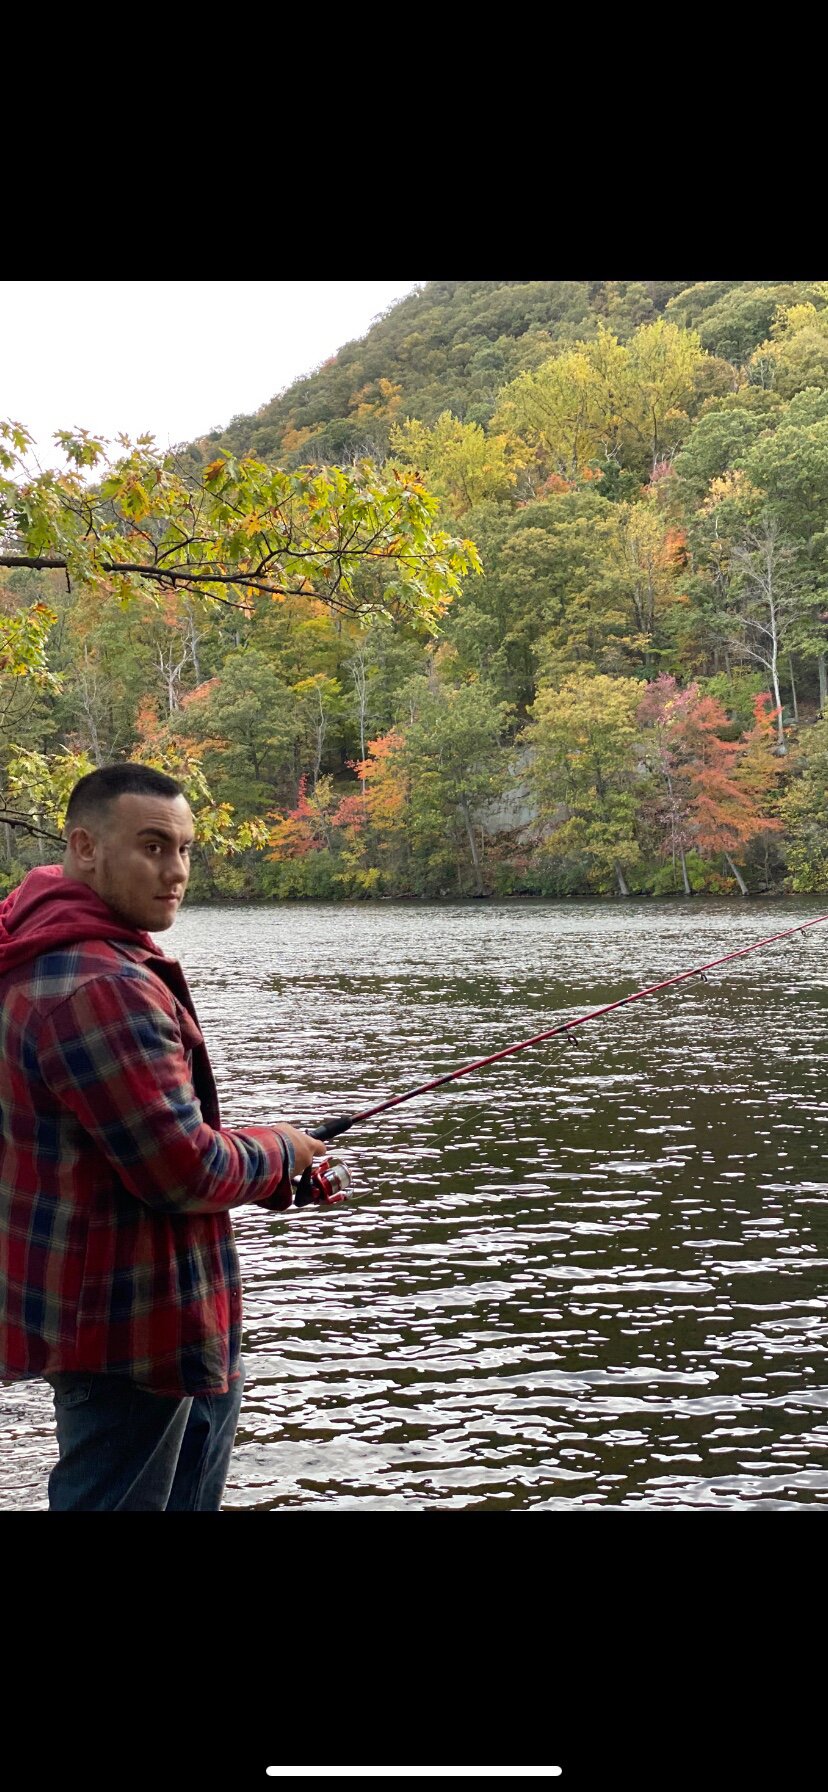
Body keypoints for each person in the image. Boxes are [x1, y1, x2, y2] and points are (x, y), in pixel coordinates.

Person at [0, 763, 326, 1511]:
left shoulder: (43, 945)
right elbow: (183, 1169)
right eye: (152, 846)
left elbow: (135, 1147)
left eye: (184, 848)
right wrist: (281, 1149)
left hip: (126, 1307)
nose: (176, 871)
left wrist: (259, 1171)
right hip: (129, 1326)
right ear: (84, 847)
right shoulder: (99, 983)